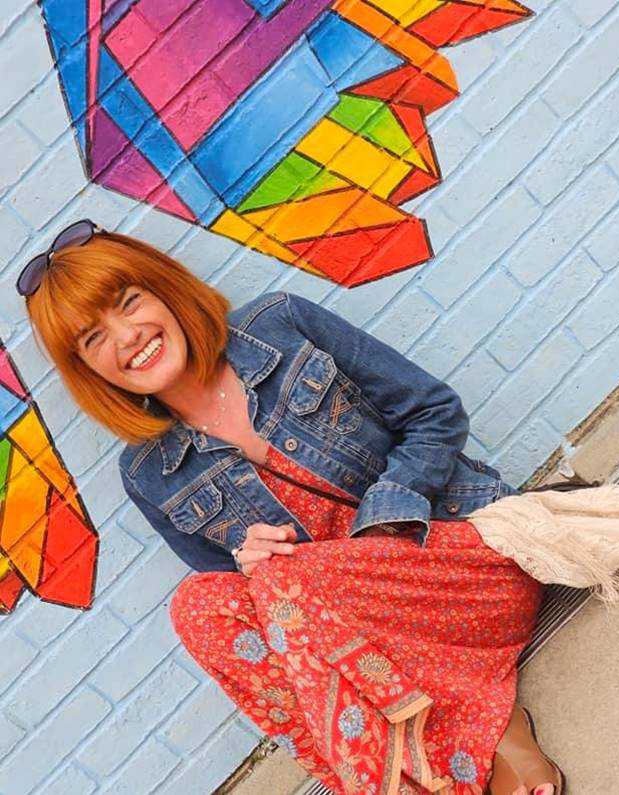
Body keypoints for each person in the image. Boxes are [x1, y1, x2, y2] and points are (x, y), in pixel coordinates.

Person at [18, 220, 565, 795]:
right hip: (378, 655)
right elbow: (266, 626)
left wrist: (379, 528)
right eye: (93, 338)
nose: (126, 337)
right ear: (86, 369)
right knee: (199, 607)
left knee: (284, 582)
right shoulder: (148, 474)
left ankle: (491, 736)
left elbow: (435, 413)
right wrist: (253, 567)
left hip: (459, 569)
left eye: (129, 303)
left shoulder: (279, 326)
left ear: (166, 290)